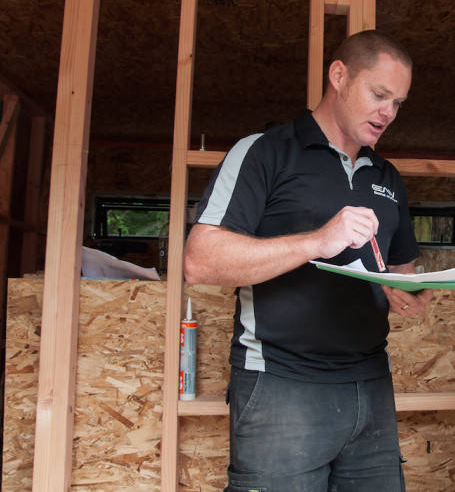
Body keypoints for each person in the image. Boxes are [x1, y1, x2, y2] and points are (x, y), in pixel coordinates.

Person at [184, 29, 433, 492]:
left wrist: (409, 289)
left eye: (398, 103)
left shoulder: (388, 177)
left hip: (370, 383)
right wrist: (317, 242)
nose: (388, 113)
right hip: (281, 384)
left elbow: (400, 271)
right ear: (338, 76)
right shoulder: (264, 152)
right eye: (379, 95)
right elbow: (200, 261)